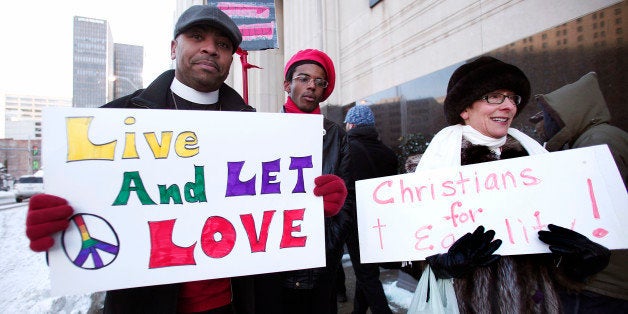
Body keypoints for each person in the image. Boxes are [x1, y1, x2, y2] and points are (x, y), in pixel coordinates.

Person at [24, 6, 347, 314]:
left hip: (235, 302)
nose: (209, 49)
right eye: (197, 37)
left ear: (231, 59)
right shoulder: (113, 122)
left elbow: (275, 208)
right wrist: (57, 226)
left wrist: (314, 203)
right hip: (145, 304)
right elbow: (88, 223)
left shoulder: (259, 131)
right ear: (173, 47)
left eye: (222, 44)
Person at [406, 56, 611, 313]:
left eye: (512, 98)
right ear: (464, 109)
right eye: (494, 96)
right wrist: (441, 265)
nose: (508, 106)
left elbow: (554, 253)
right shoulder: (429, 171)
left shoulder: (540, 162)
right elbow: (406, 252)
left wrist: (579, 264)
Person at [232, 49, 353, 314]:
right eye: (303, 78)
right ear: (287, 84)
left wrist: (326, 243)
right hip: (272, 266)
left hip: (319, 267)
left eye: (320, 82)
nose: (312, 85)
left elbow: (347, 203)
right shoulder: (262, 130)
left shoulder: (336, 136)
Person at [530, 71, 628, 312]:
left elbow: (590, 210)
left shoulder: (597, 141)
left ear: (568, 114)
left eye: (547, 118)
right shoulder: (598, 138)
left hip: (600, 281)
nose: (541, 127)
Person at [341, 104, 398, 314]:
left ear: (352, 124)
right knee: (367, 271)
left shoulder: (347, 149)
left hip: (356, 222)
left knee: (367, 275)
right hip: (379, 222)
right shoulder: (387, 153)